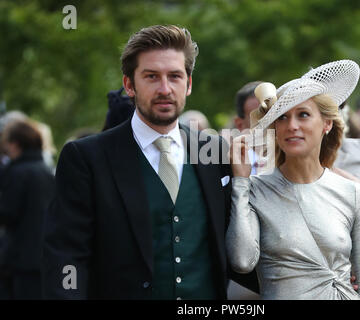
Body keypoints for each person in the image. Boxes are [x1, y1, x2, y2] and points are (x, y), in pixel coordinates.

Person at [42, 25, 258, 299]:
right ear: (129, 85)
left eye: (175, 76)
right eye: (152, 77)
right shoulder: (86, 158)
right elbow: (66, 255)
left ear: (189, 84)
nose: (165, 89)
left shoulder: (214, 150)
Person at [226, 60, 360, 299]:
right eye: (283, 118)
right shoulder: (255, 189)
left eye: (303, 115)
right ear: (275, 129)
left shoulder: (353, 193)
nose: (292, 126)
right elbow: (242, 261)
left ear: (327, 124)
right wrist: (240, 181)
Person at [0, 119, 55, 299]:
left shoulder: (17, 173)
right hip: (45, 255)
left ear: (15, 144)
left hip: (21, 257)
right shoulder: (45, 170)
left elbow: (8, 213)